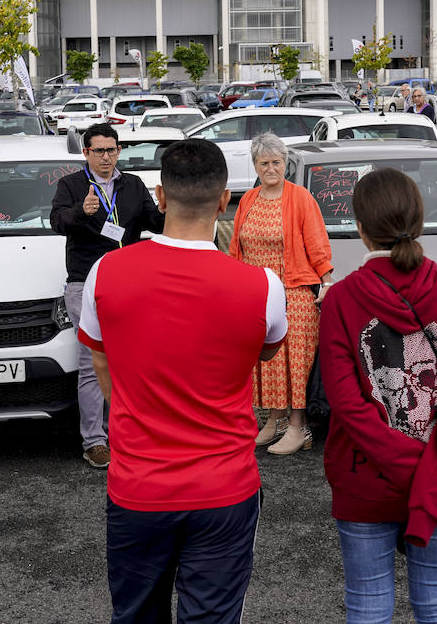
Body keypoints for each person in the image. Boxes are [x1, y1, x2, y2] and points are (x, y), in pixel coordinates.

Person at [79, 138, 287, 623]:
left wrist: (133, 410)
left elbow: (101, 361)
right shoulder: (263, 286)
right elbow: (266, 352)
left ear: (161, 197)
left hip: (138, 486)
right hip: (225, 487)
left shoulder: (105, 272)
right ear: (223, 201)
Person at [320, 167, 437, 624]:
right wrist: (435, 468)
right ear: (419, 221)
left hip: (365, 478)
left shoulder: (340, 300)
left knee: (369, 605)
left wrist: (405, 464)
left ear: (359, 227)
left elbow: (348, 402)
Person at [50, 122, 165, 468]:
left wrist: (164, 209)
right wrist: (79, 212)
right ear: (86, 153)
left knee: (129, 360)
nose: (106, 157)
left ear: (118, 151)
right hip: (85, 282)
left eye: (111, 150)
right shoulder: (71, 185)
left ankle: (124, 432)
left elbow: (153, 226)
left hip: (127, 280)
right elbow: (56, 222)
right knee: (90, 362)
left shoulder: (131, 185)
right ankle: (95, 440)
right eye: (99, 151)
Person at [229, 132, 333, 456]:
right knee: (267, 361)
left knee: (295, 361)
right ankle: (274, 420)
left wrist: (327, 282)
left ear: (285, 164)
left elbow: (317, 244)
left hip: (295, 291)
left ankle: (299, 427)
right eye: (265, 163)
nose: (271, 168)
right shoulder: (248, 199)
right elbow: (236, 247)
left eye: (277, 162)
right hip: (258, 293)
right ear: (255, 165)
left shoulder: (300, 198)